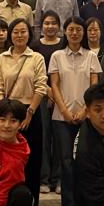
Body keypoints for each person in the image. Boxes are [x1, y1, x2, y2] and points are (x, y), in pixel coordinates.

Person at [47, 16, 101, 206]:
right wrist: (65, 111)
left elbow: (94, 86)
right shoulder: (57, 56)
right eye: (71, 29)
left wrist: (85, 111)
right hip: (61, 118)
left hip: (87, 117)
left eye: (79, 29)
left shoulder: (91, 56)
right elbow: (54, 85)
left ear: (83, 32)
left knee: (85, 163)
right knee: (66, 163)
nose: (75, 33)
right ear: (65, 32)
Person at [0, 19, 48, 206]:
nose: (19, 35)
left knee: (31, 159)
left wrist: (29, 113)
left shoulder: (36, 58)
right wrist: (3, 112)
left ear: (29, 34)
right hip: (7, 113)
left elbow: (41, 86)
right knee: (5, 160)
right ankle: (4, 203)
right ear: (10, 34)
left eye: (23, 31)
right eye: (15, 31)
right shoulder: (1, 58)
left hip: (30, 112)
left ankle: (30, 205)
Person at [32, 10, 64, 195]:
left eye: (53, 23)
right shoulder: (35, 46)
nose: (50, 26)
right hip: (41, 96)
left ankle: (58, 178)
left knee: (60, 137)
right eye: (47, 23)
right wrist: (47, 89)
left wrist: (56, 91)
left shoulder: (63, 44)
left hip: (62, 96)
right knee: (43, 138)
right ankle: (43, 179)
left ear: (59, 26)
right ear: (41, 26)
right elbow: (34, 72)